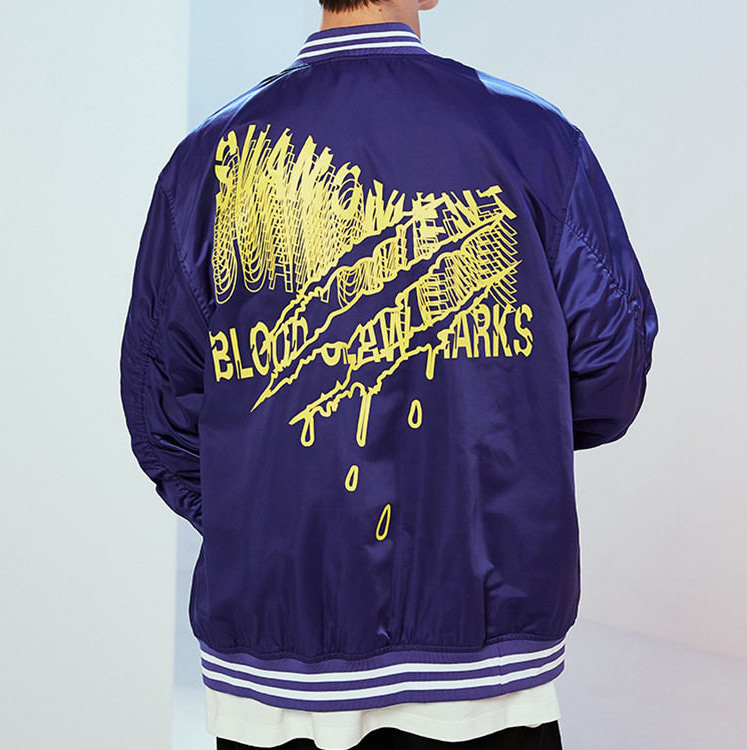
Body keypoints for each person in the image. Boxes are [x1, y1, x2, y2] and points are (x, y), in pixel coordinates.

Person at [120, 0, 657, 748]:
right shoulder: (535, 140)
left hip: (275, 679)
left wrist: (269, 519)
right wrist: (500, 448)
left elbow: (162, 415)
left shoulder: (205, 162)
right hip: (484, 669)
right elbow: (610, 371)